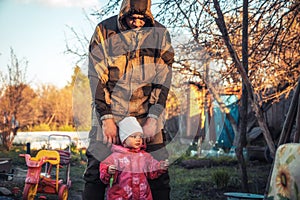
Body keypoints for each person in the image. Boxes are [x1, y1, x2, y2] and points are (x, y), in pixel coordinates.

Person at [82, 0, 174, 199]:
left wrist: (153, 117)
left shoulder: (160, 34)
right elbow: (96, 77)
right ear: (123, 13)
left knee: (159, 174)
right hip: (108, 109)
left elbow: (163, 78)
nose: (136, 23)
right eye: (131, 18)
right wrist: (106, 118)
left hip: (146, 111)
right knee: (96, 171)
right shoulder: (104, 31)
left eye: (142, 19)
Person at [99, 116, 169, 200]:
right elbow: (104, 170)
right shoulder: (116, 157)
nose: (138, 139)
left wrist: (159, 166)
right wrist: (108, 170)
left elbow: (151, 168)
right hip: (121, 196)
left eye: (140, 136)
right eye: (134, 136)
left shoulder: (144, 156)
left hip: (142, 195)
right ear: (124, 140)